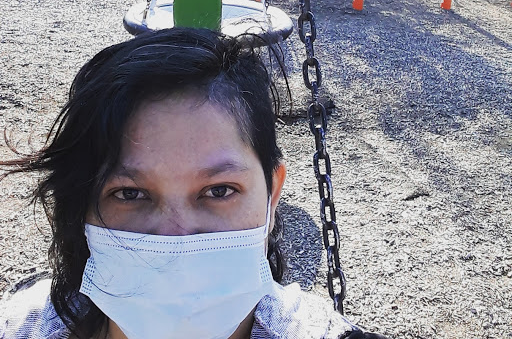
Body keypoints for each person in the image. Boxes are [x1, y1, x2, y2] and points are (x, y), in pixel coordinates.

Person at [0, 28, 388, 339]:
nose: (177, 239)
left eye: (219, 190)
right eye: (130, 194)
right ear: (79, 207)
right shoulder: (20, 327)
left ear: (272, 198)